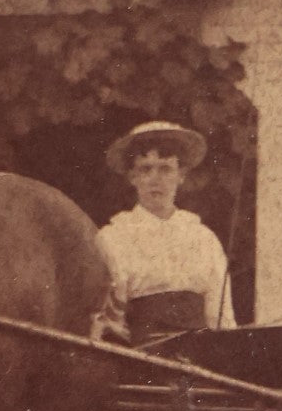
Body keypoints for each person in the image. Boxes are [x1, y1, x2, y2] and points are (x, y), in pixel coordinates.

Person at [97, 121, 235, 345]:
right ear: (132, 177)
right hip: (140, 359)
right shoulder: (113, 237)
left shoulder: (203, 238)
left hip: (200, 362)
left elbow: (221, 319)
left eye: (165, 169)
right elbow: (110, 321)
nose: (155, 179)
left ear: (181, 175)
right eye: (146, 169)